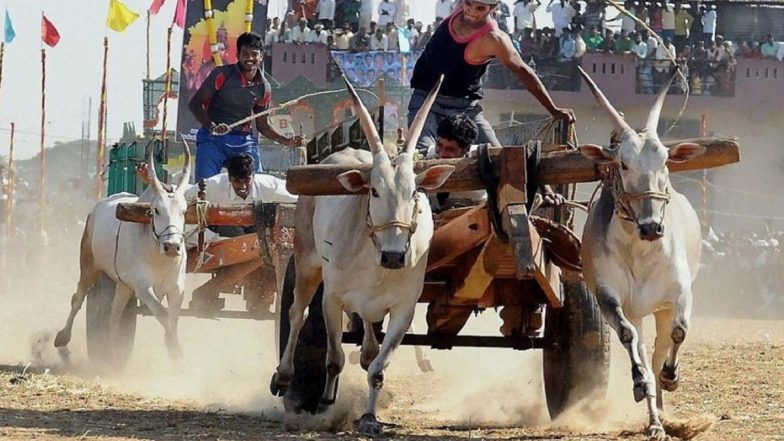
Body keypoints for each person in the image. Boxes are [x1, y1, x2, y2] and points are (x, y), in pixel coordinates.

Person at [408, 0, 571, 205]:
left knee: (503, 161)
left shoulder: (494, 39)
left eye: (480, 9)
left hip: (467, 108)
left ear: (492, 9)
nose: (472, 12)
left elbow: (523, 72)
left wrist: (553, 110)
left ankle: (541, 193)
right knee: (418, 159)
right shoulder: (459, 9)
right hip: (425, 101)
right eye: (469, 4)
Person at [189, 32, 303, 181]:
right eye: (245, 54)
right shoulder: (221, 75)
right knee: (203, 188)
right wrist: (212, 127)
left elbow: (262, 125)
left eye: (254, 54)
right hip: (213, 140)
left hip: (243, 142)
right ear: (238, 55)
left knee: (258, 186)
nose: (249, 58)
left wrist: (287, 141)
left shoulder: (264, 88)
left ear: (261, 56)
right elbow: (195, 104)